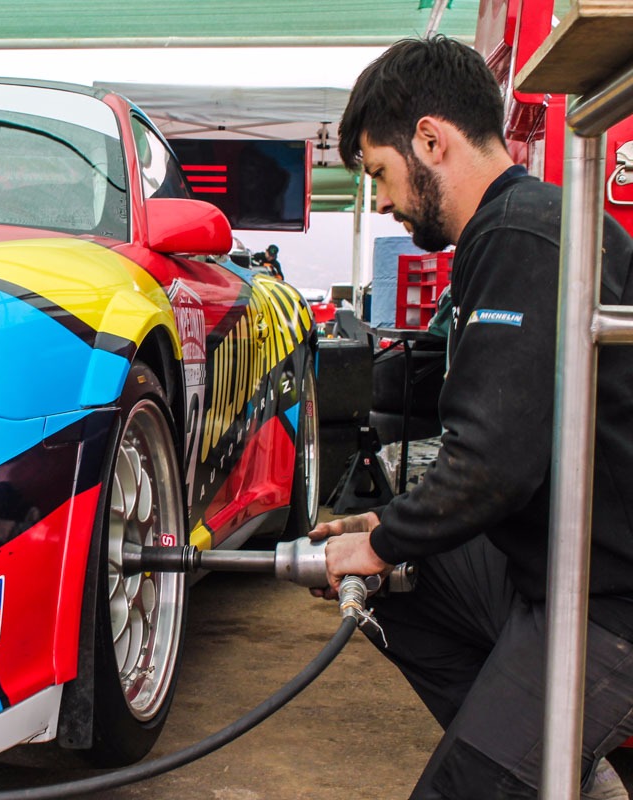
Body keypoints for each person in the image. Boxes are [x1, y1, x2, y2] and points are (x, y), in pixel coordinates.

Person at [311, 35, 633, 800]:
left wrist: (386, 537)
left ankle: (520, 761)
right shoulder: (523, 225)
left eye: (379, 174)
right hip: (561, 559)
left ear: (431, 139)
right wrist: (384, 538)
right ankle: (547, 760)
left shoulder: (517, 232)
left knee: (462, 789)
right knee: (396, 580)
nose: (381, 201)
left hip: (610, 596)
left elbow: (492, 464)